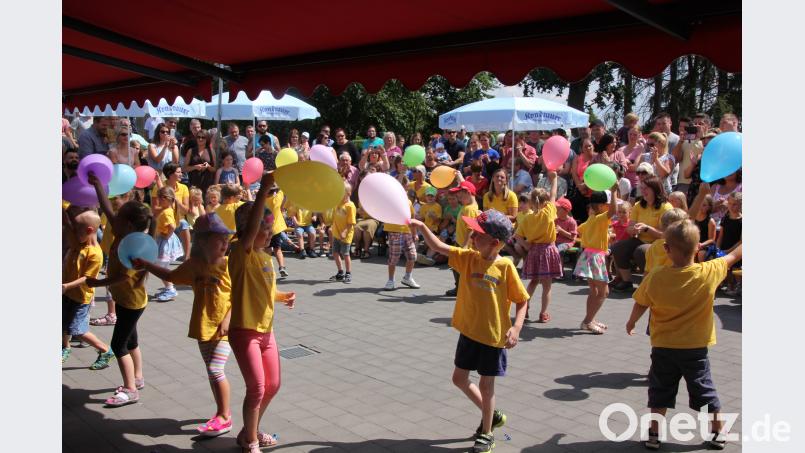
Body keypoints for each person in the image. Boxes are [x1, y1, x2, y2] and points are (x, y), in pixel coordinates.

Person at [409, 210, 529, 453]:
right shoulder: (468, 258)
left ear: (494, 242)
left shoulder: (505, 267)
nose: (472, 236)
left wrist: (516, 327)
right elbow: (440, 246)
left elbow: (522, 300)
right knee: (459, 379)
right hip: (469, 332)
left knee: (487, 387)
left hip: (494, 337)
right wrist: (422, 226)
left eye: (478, 234)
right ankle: (491, 415)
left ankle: (487, 434)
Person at [626, 222, 743, 451]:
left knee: (660, 390)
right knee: (704, 389)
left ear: (667, 248)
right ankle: (718, 433)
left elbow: (641, 302)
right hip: (695, 348)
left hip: (663, 346)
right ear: (697, 247)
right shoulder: (708, 271)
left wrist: (631, 322)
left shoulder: (657, 275)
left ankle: (654, 435)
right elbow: (734, 256)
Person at [134, 213, 234, 436]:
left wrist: (228, 319)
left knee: (216, 369)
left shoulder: (230, 265)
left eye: (227, 239)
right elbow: (171, 274)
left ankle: (225, 416)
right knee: (211, 371)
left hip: (224, 327)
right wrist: (147, 265)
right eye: (220, 239)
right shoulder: (195, 265)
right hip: (203, 326)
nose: (225, 243)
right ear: (203, 242)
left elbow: (240, 293)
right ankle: (221, 411)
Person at [228, 172, 296, 452]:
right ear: (247, 232)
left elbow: (265, 291)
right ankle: (251, 443)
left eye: (270, 228)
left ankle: (248, 431)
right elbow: (252, 226)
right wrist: (263, 189)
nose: (268, 233)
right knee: (256, 387)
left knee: (274, 384)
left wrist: (282, 297)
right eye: (263, 228)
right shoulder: (240, 253)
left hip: (266, 331)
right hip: (245, 331)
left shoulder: (266, 258)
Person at [85, 177, 151, 406]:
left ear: (129, 225)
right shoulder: (124, 233)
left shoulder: (132, 246)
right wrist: (97, 186)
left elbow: (124, 276)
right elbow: (106, 207)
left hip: (131, 302)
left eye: (119, 217)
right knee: (131, 340)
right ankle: (138, 377)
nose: (113, 218)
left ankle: (131, 389)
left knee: (118, 345)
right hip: (128, 300)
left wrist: (98, 284)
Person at [61, 207, 116, 370]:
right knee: (62, 322)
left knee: (78, 330)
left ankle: (106, 350)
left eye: (77, 229)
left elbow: (87, 278)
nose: (73, 232)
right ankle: (65, 347)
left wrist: (65, 286)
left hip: (80, 298)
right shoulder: (80, 242)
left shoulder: (95, 253)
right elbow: (70, 228)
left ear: (89, 230)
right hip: (68, 294)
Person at [610, 176, 673, 292]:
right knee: (618, 247)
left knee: (641, 251)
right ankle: (626, 281)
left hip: (658, 243)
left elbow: (665, 235)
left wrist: (646, 228)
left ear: (655, 189)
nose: (643, 191)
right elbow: (629, 228)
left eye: (646, 188)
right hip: (640, 239)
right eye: (641, 188)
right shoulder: (638, 205)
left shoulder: (666, 207)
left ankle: (650, 282)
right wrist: (633, 229)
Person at [514, 172, 560, 322]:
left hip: (534, 251)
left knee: (533, 281)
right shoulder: (548, 212)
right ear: (545, 201)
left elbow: (517, 236)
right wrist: (555, 179)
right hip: (547, 250)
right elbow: (554, 194)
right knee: (547, 286)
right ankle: (543, 313)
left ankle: (524, 306)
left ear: (532, 202)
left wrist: (527, 245)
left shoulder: (528, 218)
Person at [573, 189, 618, 334]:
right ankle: (587, 321)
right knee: (604, 292)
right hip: (595, 257)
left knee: (594, 291)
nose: (608, 206)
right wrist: (615, 191)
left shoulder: (592, 219)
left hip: (587, 255)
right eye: (606, 204)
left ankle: (590, 319)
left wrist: (602, 235)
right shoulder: (600, 218)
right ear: (601, 206)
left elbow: (580, 229)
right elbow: (614, 210)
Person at [445, 179, 479, 297]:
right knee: (455, 265)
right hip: (460, 241)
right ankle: (460, 287)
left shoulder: (469, 209)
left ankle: (463, 289)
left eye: (460, 193)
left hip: (465, 245)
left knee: (462, 268)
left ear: (467, 192)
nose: (458, 196)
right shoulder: (467, 206)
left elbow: (471, 229)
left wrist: (464, 246)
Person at [382, 184, 419, 291]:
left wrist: (414, 232)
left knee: (412, 256)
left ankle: (407, 277)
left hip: (406, 232)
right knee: (394, 258)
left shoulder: (408, 202)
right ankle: (391, 280)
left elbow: (412, 218)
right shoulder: (389, 202)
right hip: (394, 232)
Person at [151, 186, 183, 301]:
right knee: (161, 266)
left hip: (165, 241)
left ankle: (170, 289)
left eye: (159, 198)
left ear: (166, 199)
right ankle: (169, 287)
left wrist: (166, 236)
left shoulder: (166, 212)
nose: (158, 201)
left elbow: (172, 226)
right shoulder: (168, 208)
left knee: (161, 266)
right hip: (164, 239)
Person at [330, 182, 356, 283]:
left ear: (349, 193)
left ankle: (348, 273)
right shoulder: (338, 202)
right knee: (335, 253)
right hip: (336, 233)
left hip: (346, 235)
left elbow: (351, 223)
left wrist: (345, 232)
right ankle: (340, 272)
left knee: (345, 254)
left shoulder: (350, 206)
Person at [569, 138, 596, 222]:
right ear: (581, 148)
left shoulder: (597, 157)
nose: (588, 148)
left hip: (594, 190)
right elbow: (574, 173)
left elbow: (597, 174)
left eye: (590, 146)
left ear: (593, 146)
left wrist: (586, 185)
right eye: (585, 147)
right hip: (580, 190)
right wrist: (580, 187)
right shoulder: (577, 158)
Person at [415, 187, 443, 266]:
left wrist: (434, 217)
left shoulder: (437, 206)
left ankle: (428, 257)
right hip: (424, 227)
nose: (430, 198)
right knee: (415, 236)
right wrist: (417, 217)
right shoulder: (424, 206)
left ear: (435, 197)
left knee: (433, 240)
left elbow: (438, 220)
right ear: (426, 197)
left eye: (432, 196)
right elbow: (422, 218)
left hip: (433, 228)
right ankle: (413, 253)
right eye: (428, 196)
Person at [184, 129, 216, 195]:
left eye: (203, 137)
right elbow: (184, 168)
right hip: (194, 184)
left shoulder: (211, 151)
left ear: (207, 139)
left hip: (207, 184)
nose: (200, 139)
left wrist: (208, 167)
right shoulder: (191, 151)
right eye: (198, 137)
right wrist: (195, 167)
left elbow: (215, 169)